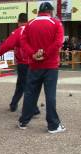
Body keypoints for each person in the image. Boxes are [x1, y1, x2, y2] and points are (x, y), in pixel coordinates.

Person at [19, 2, 66, 134]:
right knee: (50, 95)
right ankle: (53, 125)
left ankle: (23, 121)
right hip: (50, 65)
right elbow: (58, 43)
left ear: (38, 11)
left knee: (30, 94)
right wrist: (44, 53)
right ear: (50, 11)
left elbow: (23, 42)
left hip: (34, 64)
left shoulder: (30, 24)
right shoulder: (56, 23)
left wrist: (33, 54)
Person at [0, 13, 40, 115]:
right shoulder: (33, 30)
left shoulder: (18, 32)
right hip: (35, 62)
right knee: (30, 85)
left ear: (18, 22)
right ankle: (20, 105)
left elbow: (5, 46)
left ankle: (27, 107)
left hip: (23, 64)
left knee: (23, 85)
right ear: (27, 20)